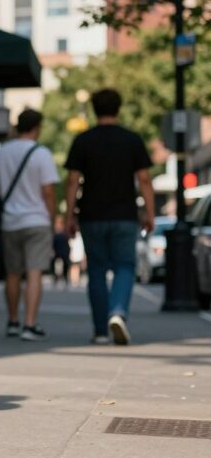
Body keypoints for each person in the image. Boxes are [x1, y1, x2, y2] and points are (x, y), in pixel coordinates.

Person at [64, 88, 154, 345]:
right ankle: (117, 311)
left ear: (94, 109)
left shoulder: (83, 140)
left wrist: (69, 216)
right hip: (124, 214)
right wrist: (149, 212)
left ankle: (100, 330)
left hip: (91, 215)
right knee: (125, 266)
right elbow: (144, 179)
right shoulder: (132, 140)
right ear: (118, 108)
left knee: (96, 271)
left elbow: (72, 180)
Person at [0, 109, 60, 341]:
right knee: (34, 272)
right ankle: (30, 323)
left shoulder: (3, 152)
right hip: (36, 220)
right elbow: (48, 191)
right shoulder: (42, 154)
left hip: (10, 221)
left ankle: (13, 321)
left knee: (13, 274)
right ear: (37, 127)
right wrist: (52, 218)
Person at [51, 215, 72, 287]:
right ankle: (56, 277)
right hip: (59, 252)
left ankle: (64, 278)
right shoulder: (56, 233)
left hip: (63, 252)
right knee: (54, 263)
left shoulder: (64, 233)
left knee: (64, 265)